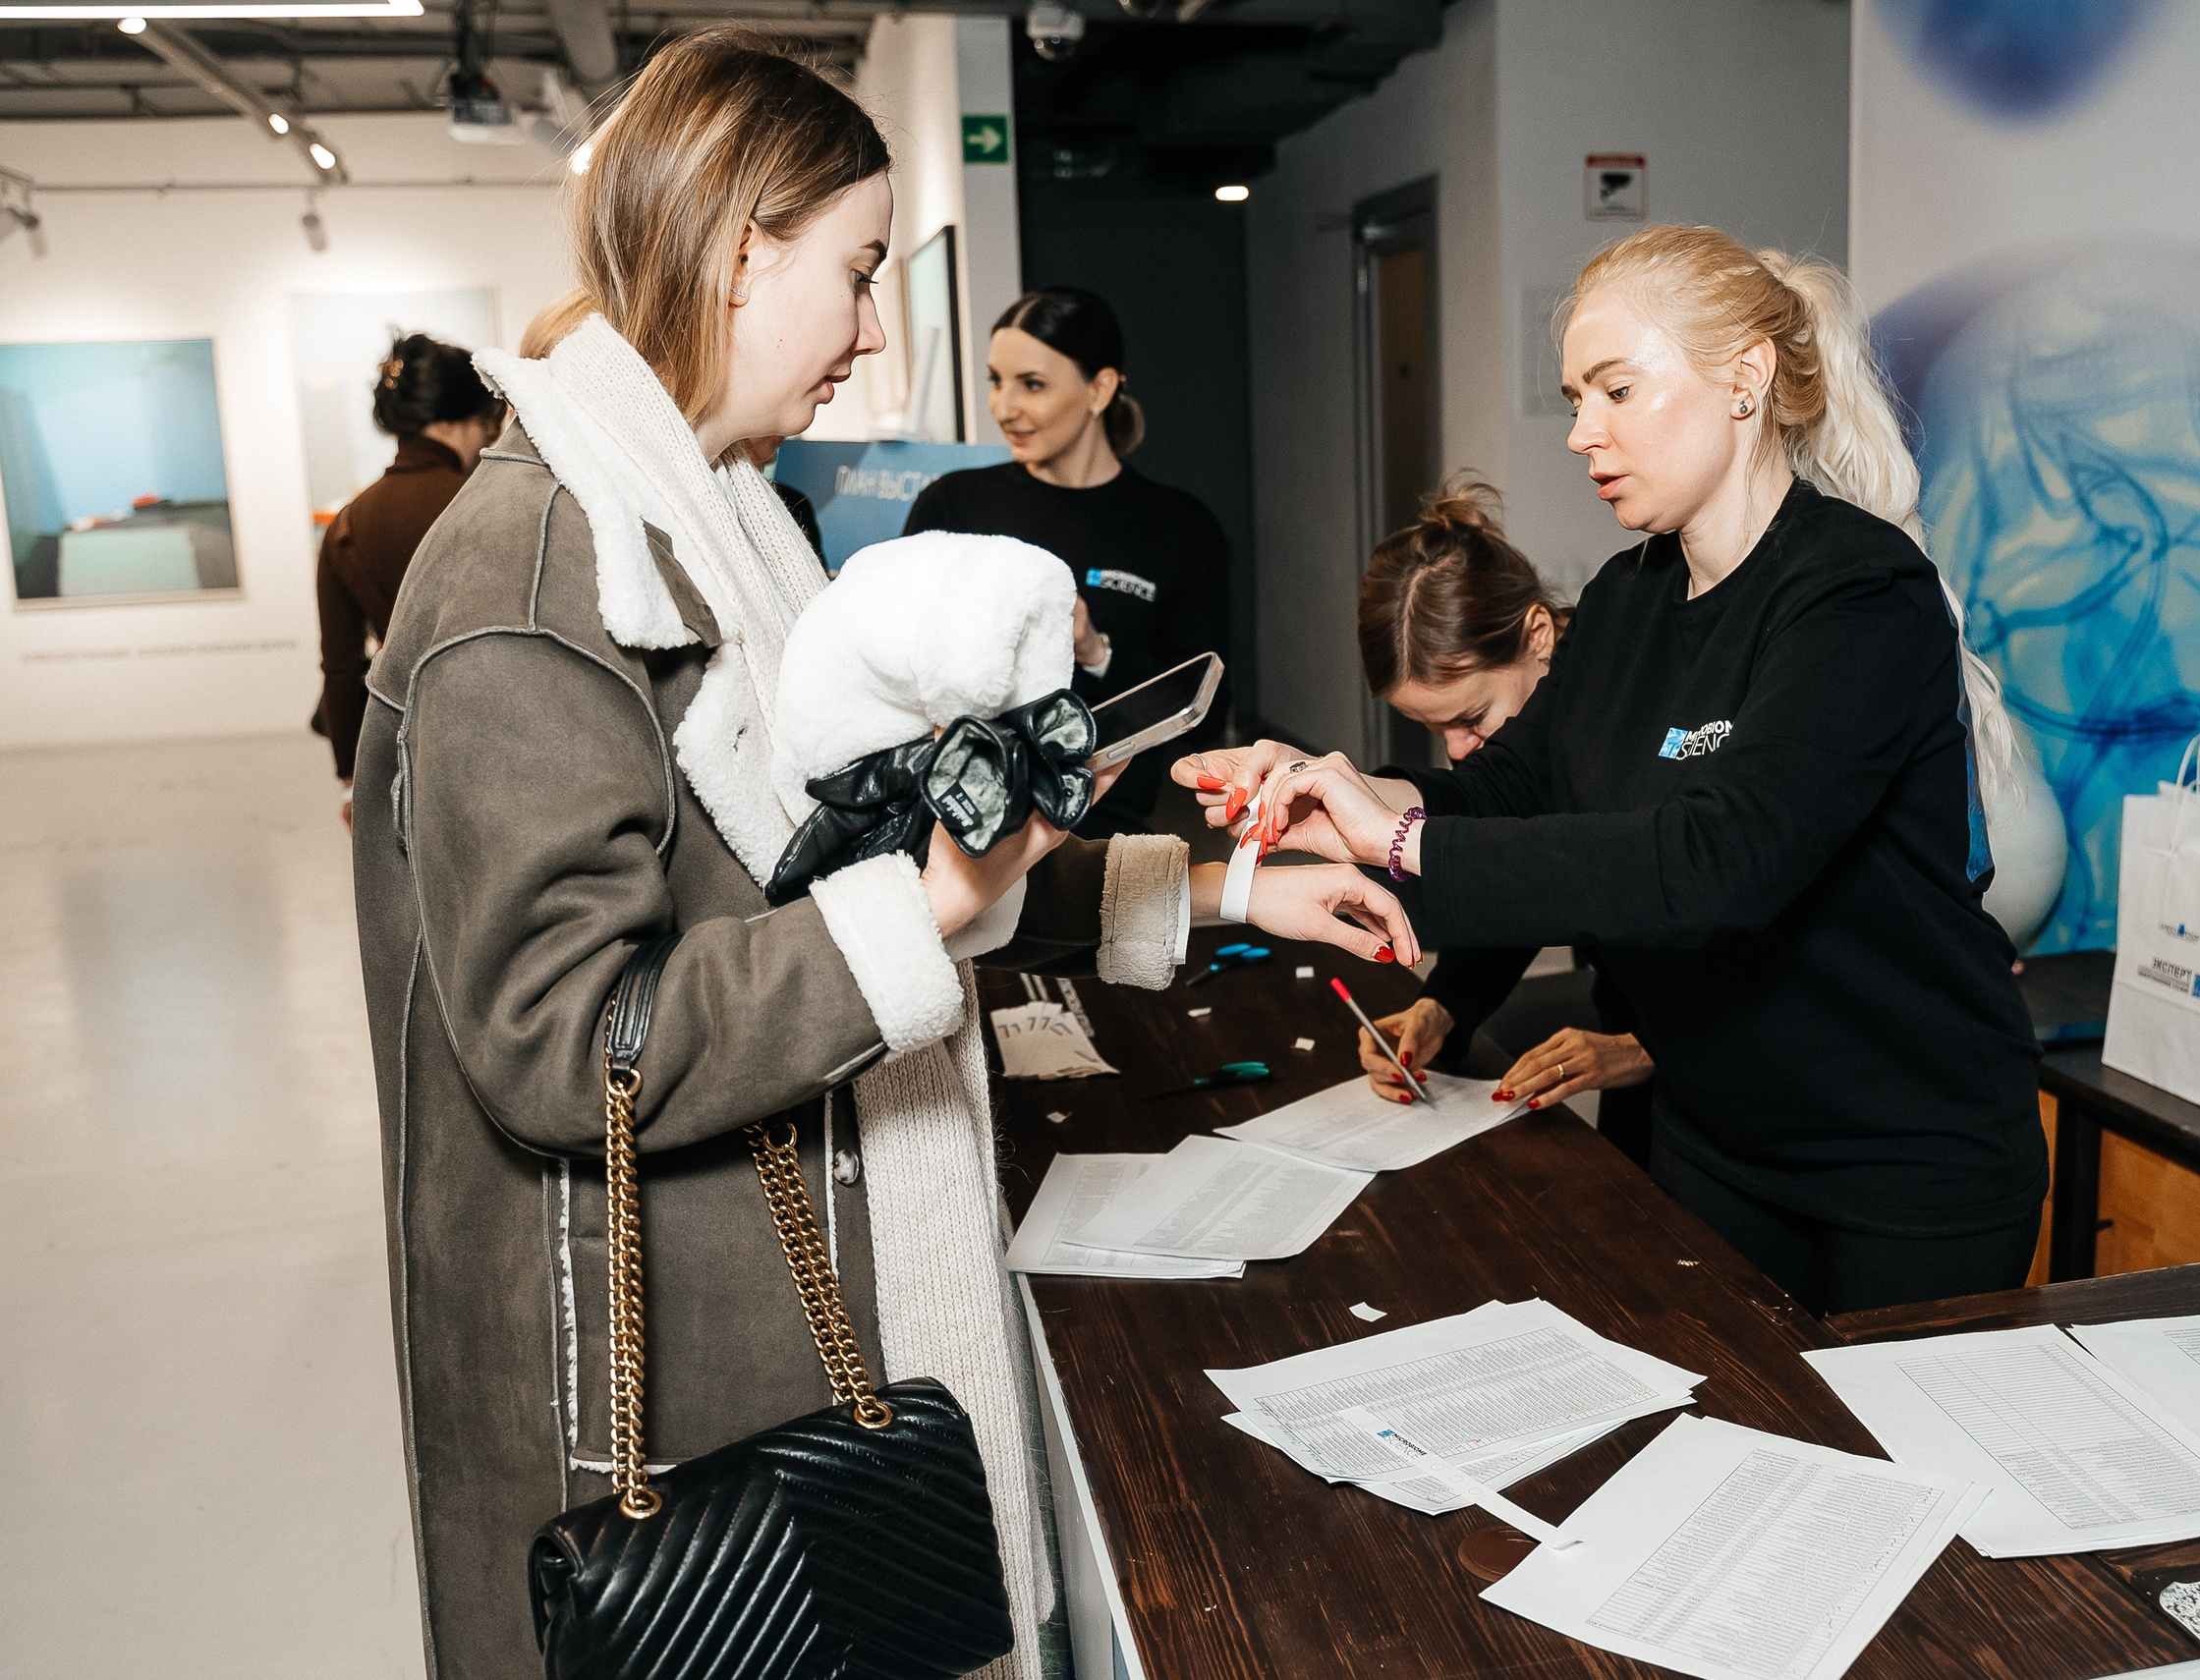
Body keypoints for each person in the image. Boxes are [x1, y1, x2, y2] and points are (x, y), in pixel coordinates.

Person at [347, 33, 1412, 1679]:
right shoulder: (549, 570)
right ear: (736, 242)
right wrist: (926, 904)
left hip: (783, 1306)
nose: (868, 331)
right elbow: (566, 1043)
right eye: (853, 274)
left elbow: (858, 864)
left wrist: (1225, 888)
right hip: (663, 1382)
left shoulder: (714, 528)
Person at [1178, 225, 2046, 1318]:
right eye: (1576, 397)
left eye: (1617, 391)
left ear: (1745, 378)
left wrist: (1396, 843)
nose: (1583, 434)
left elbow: (1716, 862)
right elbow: (1506, 793)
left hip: (1900, 1158)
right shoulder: (1632, 598)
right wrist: (1337, 794)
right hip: (1715, 1138)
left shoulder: (1857, 595)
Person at [1351, 478, 1657, 1165]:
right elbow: (1524, 878)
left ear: (1538, 635)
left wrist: (1643, 1049)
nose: (1458, 751)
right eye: (1436, 731)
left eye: (1471, 719)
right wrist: (1443, 1007)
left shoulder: (1633, 718)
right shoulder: (1540, 724)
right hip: (1634, 1016)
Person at [903, 287, 1232, 838]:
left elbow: (1203, 716)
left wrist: (1095, 650)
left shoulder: (1179, 528)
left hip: (1107, 830)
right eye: (996, 380)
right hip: (963, 824)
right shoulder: (953, 504)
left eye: (1031, 384)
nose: (1004, 408)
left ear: (1099, 389)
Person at [314, 332, 502, 821]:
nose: (490, 441)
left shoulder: (347, 524)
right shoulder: (489, 505)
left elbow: (340, 667)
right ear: (464, 422)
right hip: (499, 743)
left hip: (401, 752)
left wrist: (350, 784)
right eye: (489, 425)